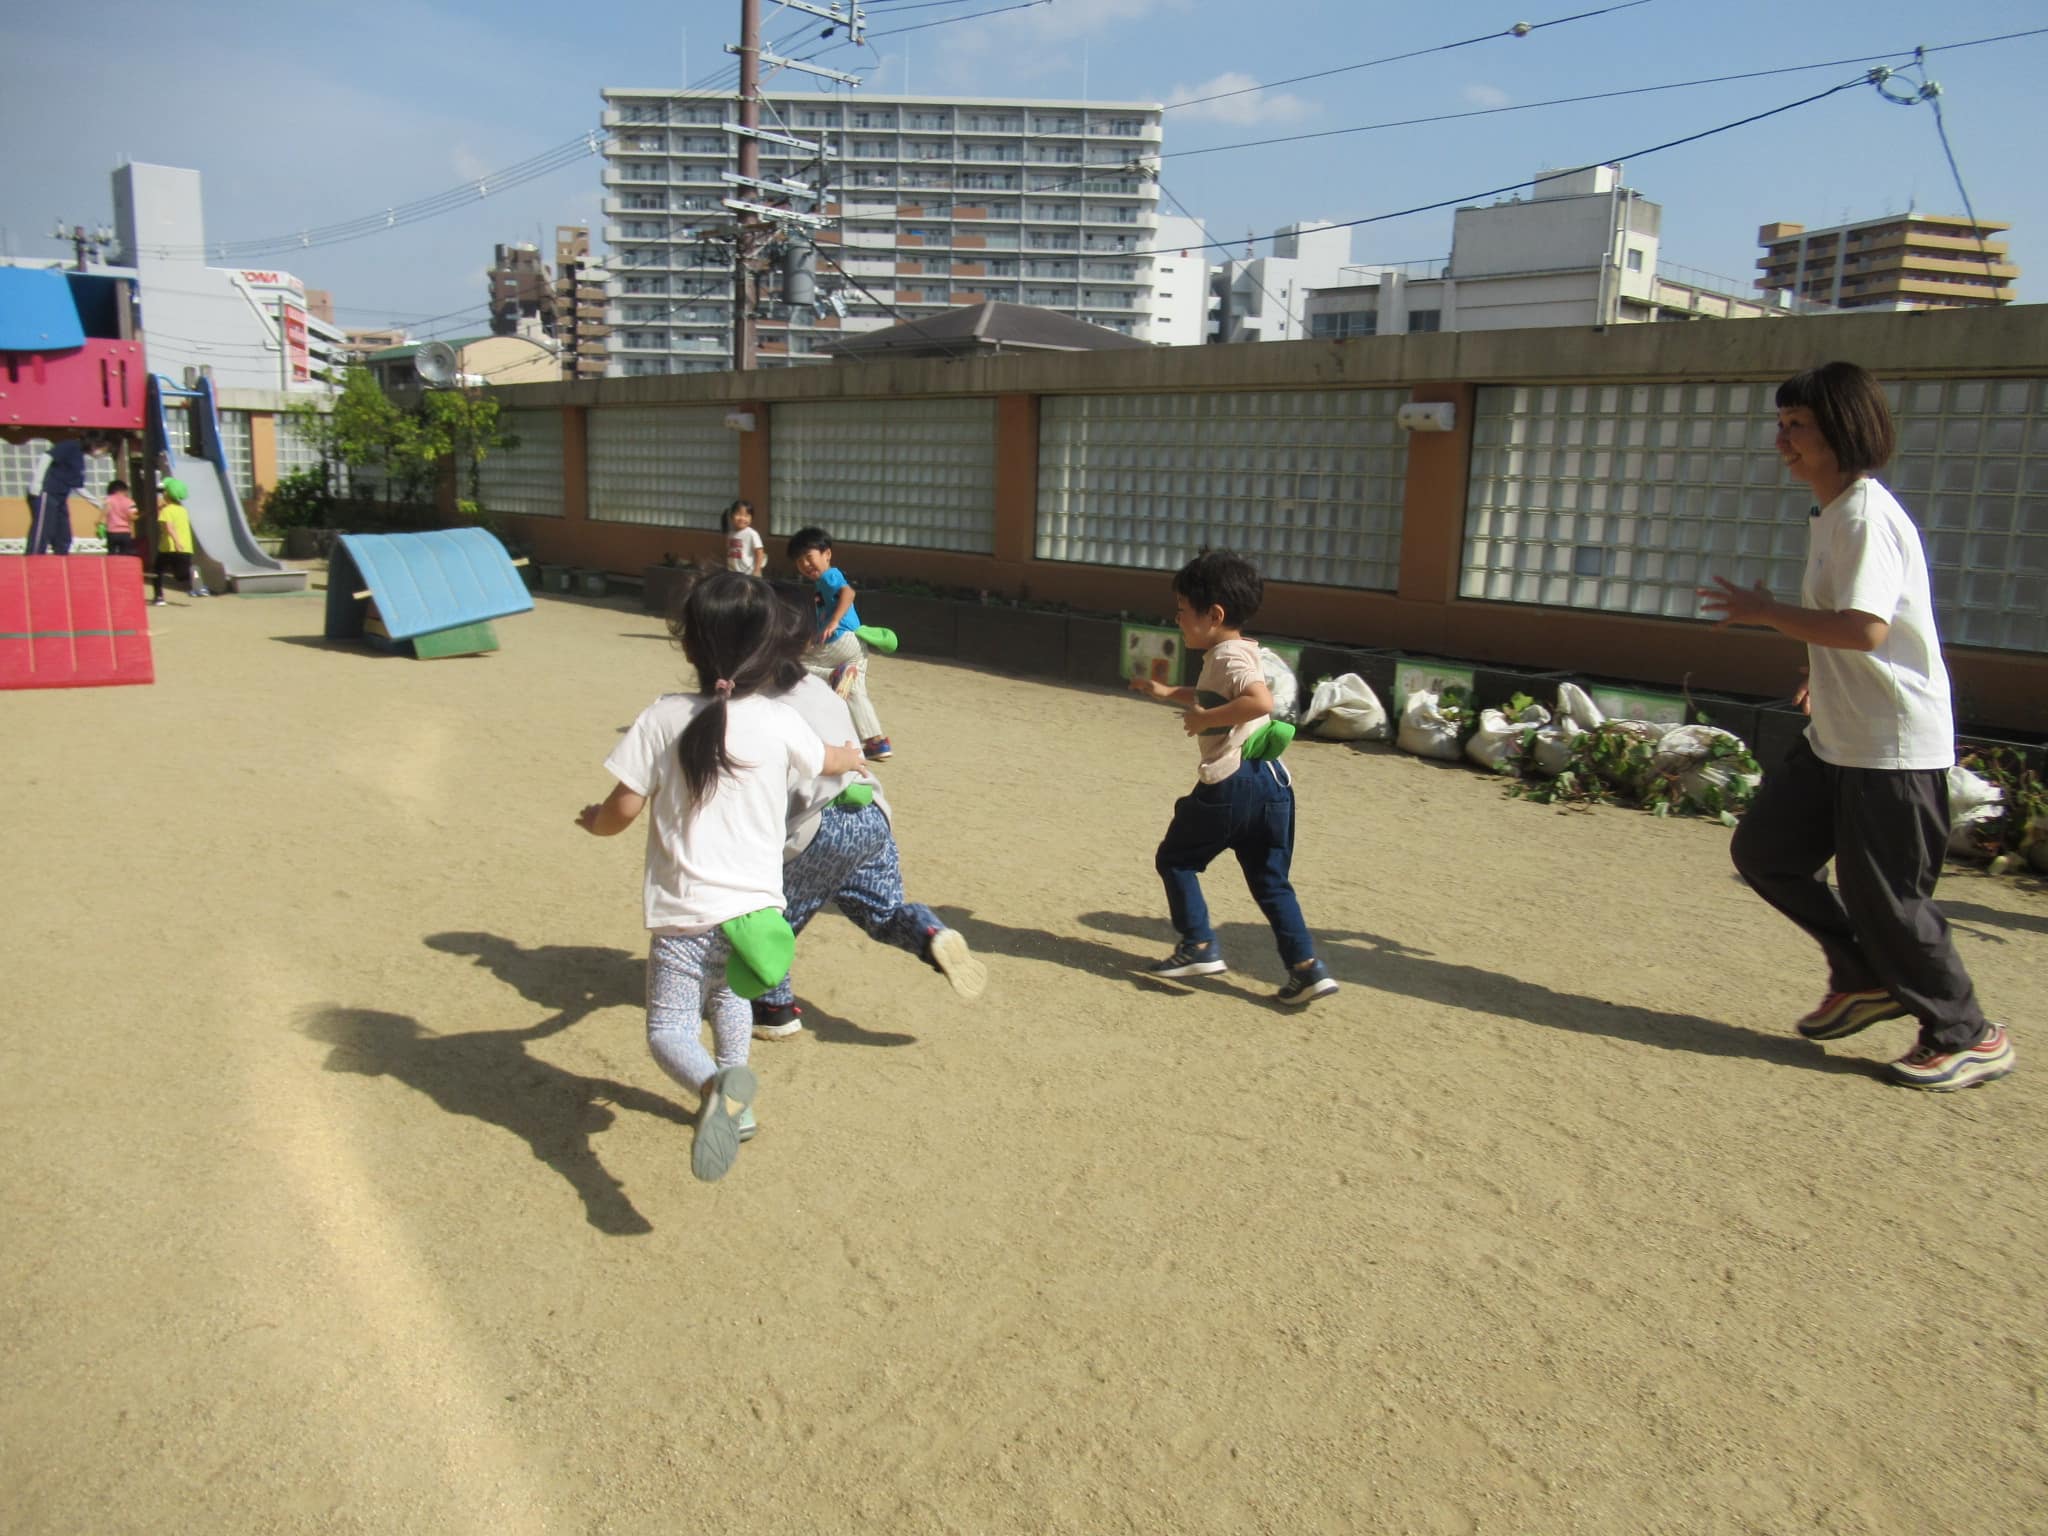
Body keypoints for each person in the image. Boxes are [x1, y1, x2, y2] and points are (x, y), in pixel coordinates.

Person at [1700, 360, 2013, 1092]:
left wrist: (1767, 612)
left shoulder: (1865, 517)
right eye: (1780, 424)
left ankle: (1968, 1034)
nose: (1782, 440)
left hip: (1891, 746)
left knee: (1889, 900)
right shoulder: (1833, 513)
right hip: (1840, 738)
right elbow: (1855, 629)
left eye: (1797, 426)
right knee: (1767, 852)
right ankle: (1864, 976)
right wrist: (1817, 671)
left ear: (1842, 430)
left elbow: (1867, 628)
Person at [576, 571, 862, 1181]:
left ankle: (714, 1089)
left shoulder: (662, 717)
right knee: (730, 996)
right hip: (756, 913)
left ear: (688, 645)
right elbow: (829, 759)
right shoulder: (779, 720)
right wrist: (857, 755)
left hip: (686, 914)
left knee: (668, 1029)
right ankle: (737, 1099)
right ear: (771, 647)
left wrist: (592, 821)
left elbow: (620, 812)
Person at [1129, 549, 1337, 1005]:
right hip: (1272, 785)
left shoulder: (1226, 657)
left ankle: (1199, 944)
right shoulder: (1241, 651)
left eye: (1183, 610)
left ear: (1215, 614)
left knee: (1176, 860)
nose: (1178, 619)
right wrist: (1169, 692)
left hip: (1233, 782)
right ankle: (1306, 968)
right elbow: (1218, 695)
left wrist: (1204, 721)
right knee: (1270, 880)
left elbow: (1259, 701)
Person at [751, 659, 987, 1039]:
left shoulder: (754, 706)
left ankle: (772, 1009)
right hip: (871, 813)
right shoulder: (819, 689)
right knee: (883, 912)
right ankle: (930, 934)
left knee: (766, 918)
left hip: (819, 824)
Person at [787, 526, 891, 761]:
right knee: (855, 691)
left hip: (840, 639)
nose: (805, 564)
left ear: (827, 554)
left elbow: (848, 593)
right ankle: (876, 742)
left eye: (808, 557)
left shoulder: (829, 576)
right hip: (856, 645)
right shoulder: (822, 584)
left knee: (793, 663)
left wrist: (834, 622)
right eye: (799, 561)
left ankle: (832, 674)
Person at [26, 435, 108, 555]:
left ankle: (61, 559)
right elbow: (47, 456)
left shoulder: (79, 459)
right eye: (103, 449)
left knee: (63, 535)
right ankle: (33, 558)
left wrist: (99, 504)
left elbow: (78, 486)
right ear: (94, 444)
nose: (102, 453)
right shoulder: (71, 446)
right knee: (42, 531)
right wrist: (37, 482)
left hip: (60, 498)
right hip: (46, 492)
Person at [151, 477, 202, 606]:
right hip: (186, 548)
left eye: (164, 492)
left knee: (157, 571)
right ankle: (195, 574)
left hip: (168, 548)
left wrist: (176, 542)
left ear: (167, 494)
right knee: (181, 576)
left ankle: (159, 597)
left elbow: (170, 528)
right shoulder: (183, 510)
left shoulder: (166, 511)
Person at [723, 499, 766, 577]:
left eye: (746, 516)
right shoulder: (731, 534)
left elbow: (760, 552)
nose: (742, 518)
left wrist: (757, 570)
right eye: (738, 514)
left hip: (748, 573)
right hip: (732, 572)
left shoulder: (752, 534)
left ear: (751, 519)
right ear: (732, 516)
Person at [101, 479, 139, 558]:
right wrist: (138, 516)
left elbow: (105, 511)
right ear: (124, 490)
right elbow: (133, 517)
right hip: (125, 532)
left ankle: (111, 565)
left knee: (111, 553)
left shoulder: (109, 499)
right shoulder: (130, 501)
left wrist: (98, 521)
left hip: (112, 532)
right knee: (124, 555)